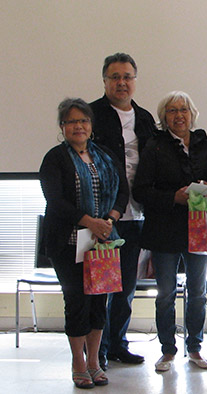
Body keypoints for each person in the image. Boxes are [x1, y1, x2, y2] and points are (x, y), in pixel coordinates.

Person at [39, 98, 129, 388]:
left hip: (103, 242)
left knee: (98, 303)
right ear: (62, 127)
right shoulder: (55, 158)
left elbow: (122, 192)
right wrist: (91, 222)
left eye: (84, 121)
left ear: (91, 126)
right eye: (72, 121)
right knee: (77, 301)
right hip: (67, 244)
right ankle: (78, 363)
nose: (79, 126)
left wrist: (110, 221)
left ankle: (94, 362)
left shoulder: (104, 156)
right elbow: (55, 201)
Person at [133, 91, 207, 372]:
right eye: (172, 111)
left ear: (192, 113)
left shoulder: (204, 144)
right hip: (164, 229)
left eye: (183, 109)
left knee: (197, 292)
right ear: (164, 117)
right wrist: (174, 197)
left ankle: (194, 348)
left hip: (199, 227)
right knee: (166, 294)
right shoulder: (154, 145)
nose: (179, 115)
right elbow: (141, 190)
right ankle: (167, 350)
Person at [90, 53, 157, 370]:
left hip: (137, 216)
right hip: (104, 217)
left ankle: (118, 343)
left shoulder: (144, 118)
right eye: (114, 76)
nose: (121, 82)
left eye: (127, 76)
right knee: (101, 287)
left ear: (134, 79)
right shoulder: (90, 115)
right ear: (104, 80)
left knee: (127, 286)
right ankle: (97, 349)